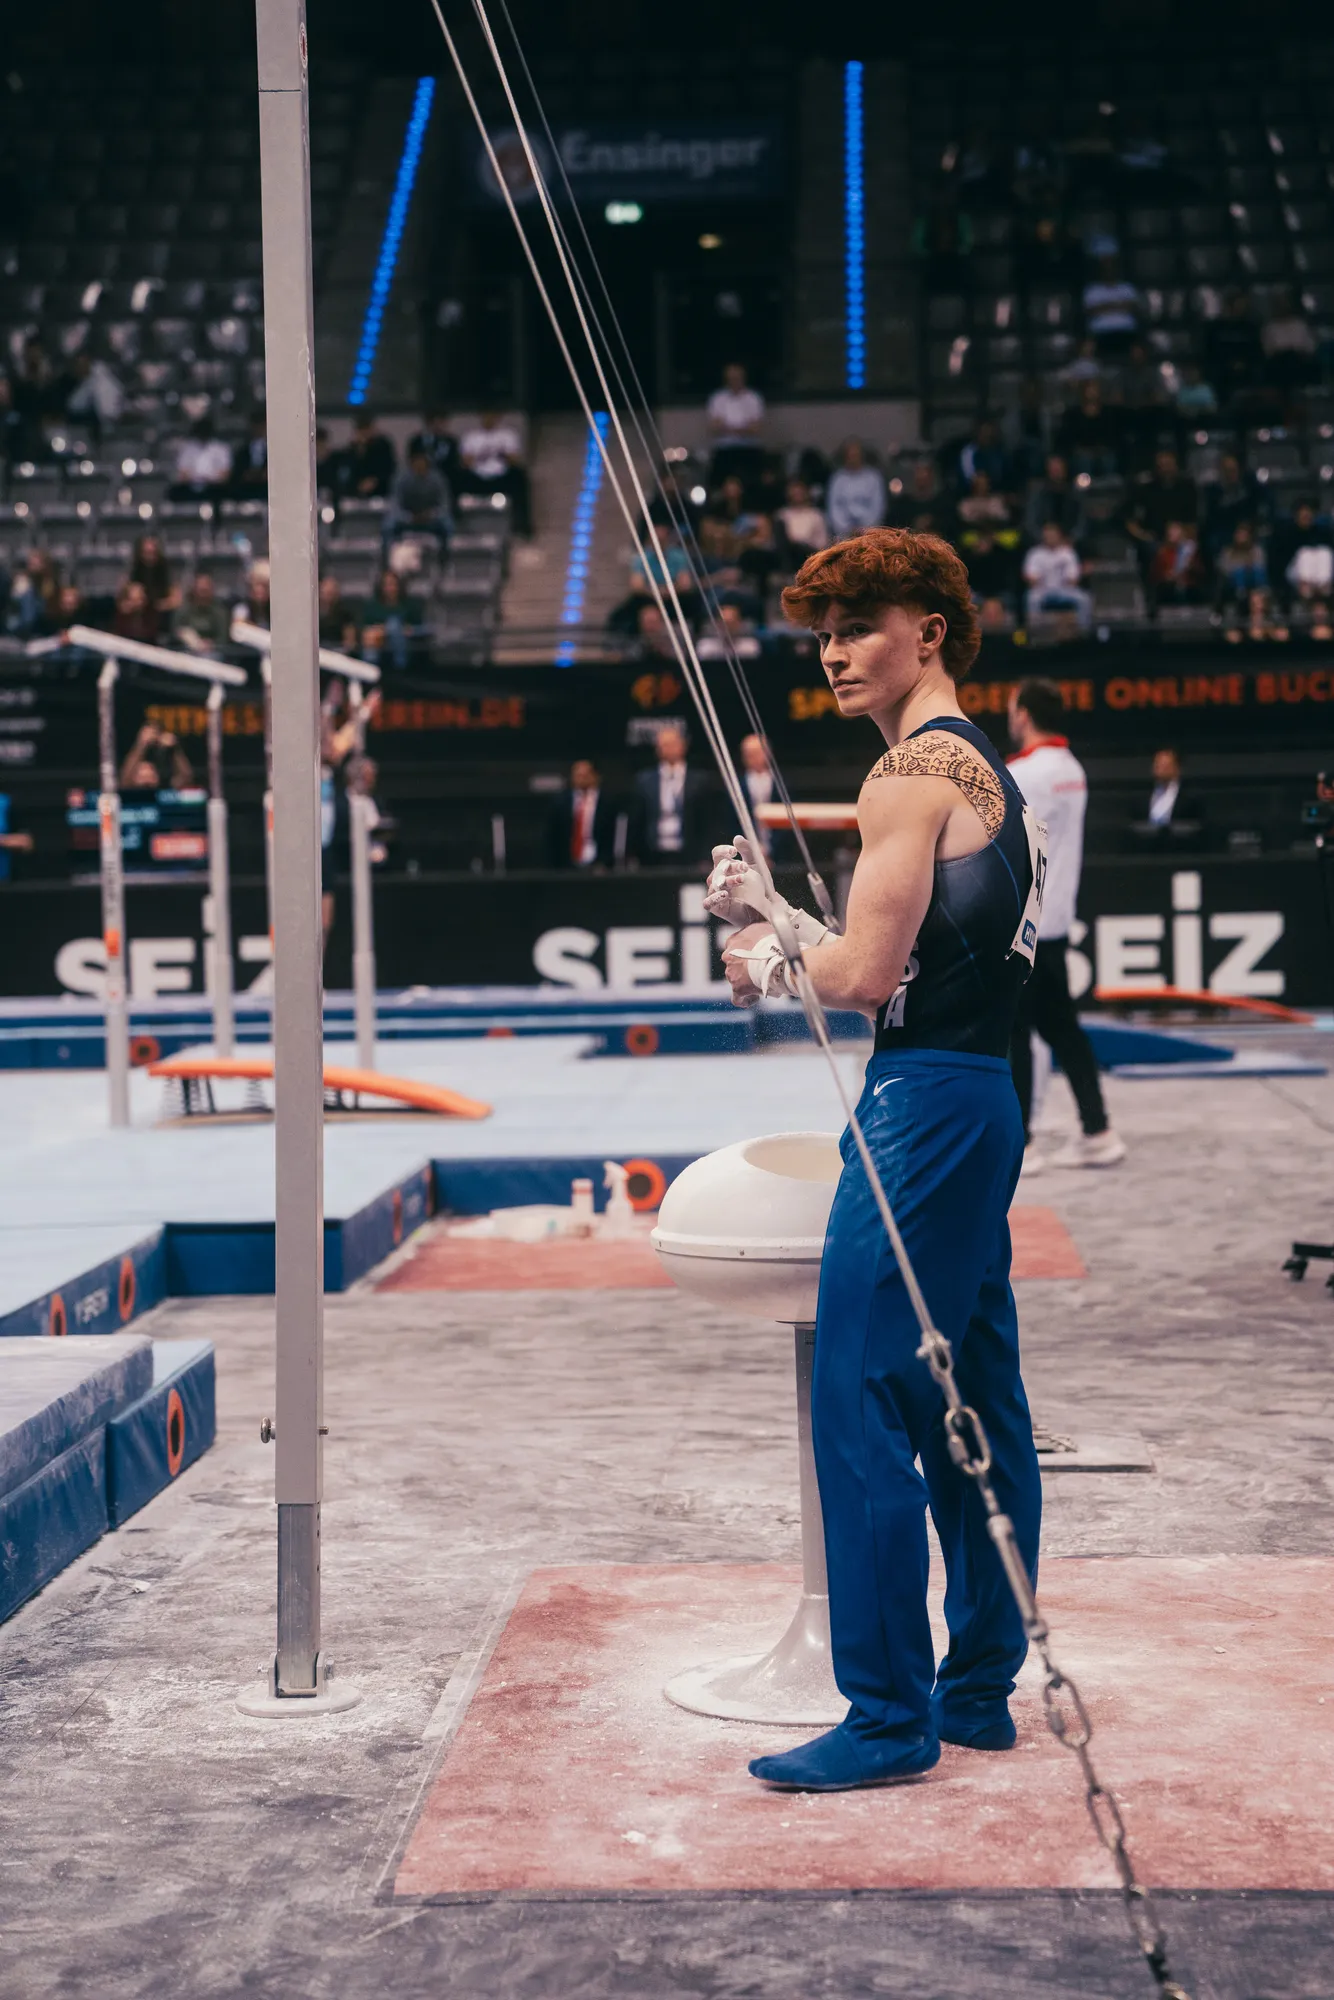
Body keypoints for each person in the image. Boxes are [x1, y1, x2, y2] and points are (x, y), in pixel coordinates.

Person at [708, 527, 1043, 1790]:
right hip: (977, 1094)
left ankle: (886, 1712)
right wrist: (782, 913)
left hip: (918, 1107)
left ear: (928, 633)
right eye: (822, 634)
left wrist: (763, 953)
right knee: (975, 1394)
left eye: (857, 627)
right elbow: (919, 961)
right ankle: (977, 1688)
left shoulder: (905, 773)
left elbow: (859, 978)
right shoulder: (983, 769)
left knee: (855, 1390)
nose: (834, 653)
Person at [1005, 678, 1123, 1169]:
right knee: (1062, 1031)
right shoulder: (1072, 769)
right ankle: (1098, 1132)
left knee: (1014, 1033)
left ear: (1024, 714)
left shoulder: (1022, 773)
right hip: (1053, 923)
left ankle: (1021, 1145)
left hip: (1023, 925)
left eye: (1012, 710)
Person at [633, 724, 715, 866]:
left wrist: (705, 856)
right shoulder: (644, 780)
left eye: (673, 744)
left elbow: (708, 821)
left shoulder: (700, 780)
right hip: (653, 853)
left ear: (683, 746)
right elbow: (637, 820)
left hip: (690, 852)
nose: (669, 749)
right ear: (657, 749)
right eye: (664, 745)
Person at [458, 411, 531, 534]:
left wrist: (502, 454)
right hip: (478, 477)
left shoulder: (507, 435)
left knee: (519, 475)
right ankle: (458, 520)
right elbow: (465, 462)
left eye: (492, 416)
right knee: (459, 476)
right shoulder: (471, 436)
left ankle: (521, 524)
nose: (489, 419)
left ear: (498, 417)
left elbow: (514, 460)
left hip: (501, 477)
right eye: (486, 416)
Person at [546, 757, 619, 869]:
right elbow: (552, 836)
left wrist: (604, 862)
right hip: (566, 865)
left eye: (586, 775)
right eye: (578, 775)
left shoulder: (608, 802)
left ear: (596, 776)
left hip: (600, 864)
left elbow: (613, 835)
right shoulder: (561, 802)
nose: (582, 779)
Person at [1022, 521, 1092, 631]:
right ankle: (1035, 632)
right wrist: (1034, 580)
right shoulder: (1035, 553)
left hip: (1064, 590)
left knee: (1084, 599)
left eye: (1053, 535)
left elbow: (1074, 578)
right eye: (1048, 535)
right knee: (1032, 598)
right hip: (1043, 590)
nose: (1050, 538)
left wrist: (1071, 579)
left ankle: (1084, 630)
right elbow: (1030, 576)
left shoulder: (1068, 552)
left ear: (1059, 536)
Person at [705, 362, 766, 488]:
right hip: (724, 449)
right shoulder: (717, 399)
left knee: (754, 483)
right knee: (717, 482)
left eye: (737, 377)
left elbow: (755, 429)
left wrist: (728, 428)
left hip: (749, 448)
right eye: (731, 378)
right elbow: (715, 428)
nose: (734, 381)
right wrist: (743, 428)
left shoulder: (753, 398)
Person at [385, 447, 452, 551]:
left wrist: (431, 514)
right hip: (407, 519)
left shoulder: (438, 479)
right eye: (416, 463)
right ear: (411, 464)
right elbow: (395, 505)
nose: (419, 466)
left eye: (422, 463)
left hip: (431, 519)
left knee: (447, 524)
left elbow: (444, 504)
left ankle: (444, 556)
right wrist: (409, 517)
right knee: (389, 525)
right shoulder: (401, 479)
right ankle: (387, 556)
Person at [1214, 521, 1269, 641]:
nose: (1241, 537)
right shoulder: (1228, 551)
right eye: (1239, 534)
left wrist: (1248, 568)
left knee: (1255, 574)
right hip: (1233, 586)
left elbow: (1260, 566)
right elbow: (1224, 569)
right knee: (1239, 573)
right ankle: (1241, 593)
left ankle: (1258, 605)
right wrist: (1240, 568)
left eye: (1244, 534)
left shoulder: (1256, 551)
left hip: (1253, 585)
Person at [1081, 254, 1144, 354]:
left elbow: (1134, 308)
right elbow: (1090, 311)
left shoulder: (1128, 288)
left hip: (1126, 332)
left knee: (1138, 349)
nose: (1109, 271)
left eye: (1112, 268)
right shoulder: (1092, 290)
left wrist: (1105, 306)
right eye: (1106, 268)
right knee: (1087, 347)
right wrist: (1119, 305)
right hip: (1100, 333)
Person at [826, 439, 887, 538]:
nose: (853, 459)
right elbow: (834, 509)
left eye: (856, 455)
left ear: (862, 456)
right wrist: (846, 529)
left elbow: (877, 507)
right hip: (843, 535)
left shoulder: (873, 478)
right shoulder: (837, 479)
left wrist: (864, 529)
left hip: (869, 534)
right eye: (850, 455)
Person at [1022, 454, 1086, 548]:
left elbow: (1081, 521)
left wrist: (1071, 539)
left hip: (1069, 543)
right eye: (1053, 469)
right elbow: (1030, 521)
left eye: (1059, 468)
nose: (1056, 472)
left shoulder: (1075, 493)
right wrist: (1045, 539)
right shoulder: (1038, 492)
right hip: (1041, 543)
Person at [331, 413, 397, 500]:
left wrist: (375, 480)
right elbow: (348, 473)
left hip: (381, 494)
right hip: (357, 495)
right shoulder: (351, 450)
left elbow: (389, 468)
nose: (364, 434)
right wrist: (360, 449)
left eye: (366, 430)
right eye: (361, 431)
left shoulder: (383, 446)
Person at [119, 718, 194, 791]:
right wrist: (141, 744)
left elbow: (186, 777)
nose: (146, 780)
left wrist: (175, 749)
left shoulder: (165, 788)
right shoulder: (129, 790)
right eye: (142, 776)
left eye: (150, 776)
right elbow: (125, 779)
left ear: (157, 776)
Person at [169, 417, 231, 501]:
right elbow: (182, 473)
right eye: (201, 431)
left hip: (215, 488)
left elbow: (225, 474)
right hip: (191, 487)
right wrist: (197, 479)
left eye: (205, 430)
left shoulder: (221, 448)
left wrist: (209, 479)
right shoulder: (187, 448)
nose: (203, 433)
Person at [171, 572, 229, 656]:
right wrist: (184, 637)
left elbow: (223, 638)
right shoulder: (184, 610)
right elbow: (175, 632)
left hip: (212, 651)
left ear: (211, 590)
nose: (203, 595)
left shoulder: (220, 612)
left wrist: (211, 643)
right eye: (200, 590)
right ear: (194, 590)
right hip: (186, 650)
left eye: (205, 591)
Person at [775, 480, 828, 569]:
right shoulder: (782, 514)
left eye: (799, 493)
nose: (797, 496)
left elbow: (822, 542)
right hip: (788, 553)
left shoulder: (815, 515)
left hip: (809, 553)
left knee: (799, 548)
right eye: (794, 493)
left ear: (806, 493)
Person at [407, 410, 462, 497]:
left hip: (447, 478)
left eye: (441, 422)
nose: (438, 425)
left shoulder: (451, 442)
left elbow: (455, 463)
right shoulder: (417, 441)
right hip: (423, 477)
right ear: (428, 423)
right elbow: (412, 462)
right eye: (434, 422)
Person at [228, 411, 268, 501]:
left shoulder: (273, 450)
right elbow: (237, 475)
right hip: (247, 494)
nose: (259, 429)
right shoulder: (243, 451)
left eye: (261, 425)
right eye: (256, 425)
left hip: (267, 494)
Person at [317, 575, 359, 653]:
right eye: (326, 592)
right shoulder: (313, 614)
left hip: (338, 650)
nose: (328, 596)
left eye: (331, 592)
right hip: (318, 650)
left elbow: (350, 642)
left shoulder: (345, 613)